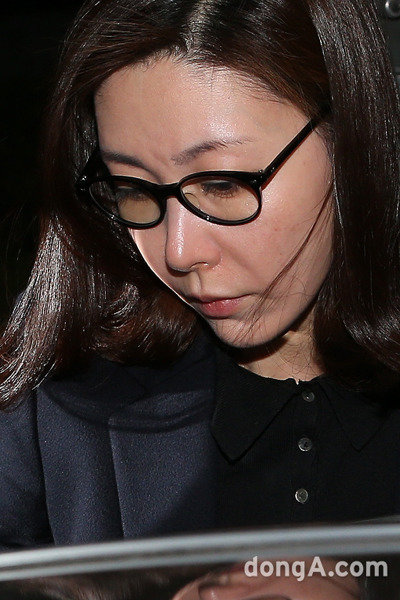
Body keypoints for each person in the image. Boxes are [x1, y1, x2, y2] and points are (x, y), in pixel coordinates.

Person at [0, 0, 400, 551]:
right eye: (133, 190)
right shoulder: (53, 415)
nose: (178, 251)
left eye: (223, 184)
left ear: (350, 140)